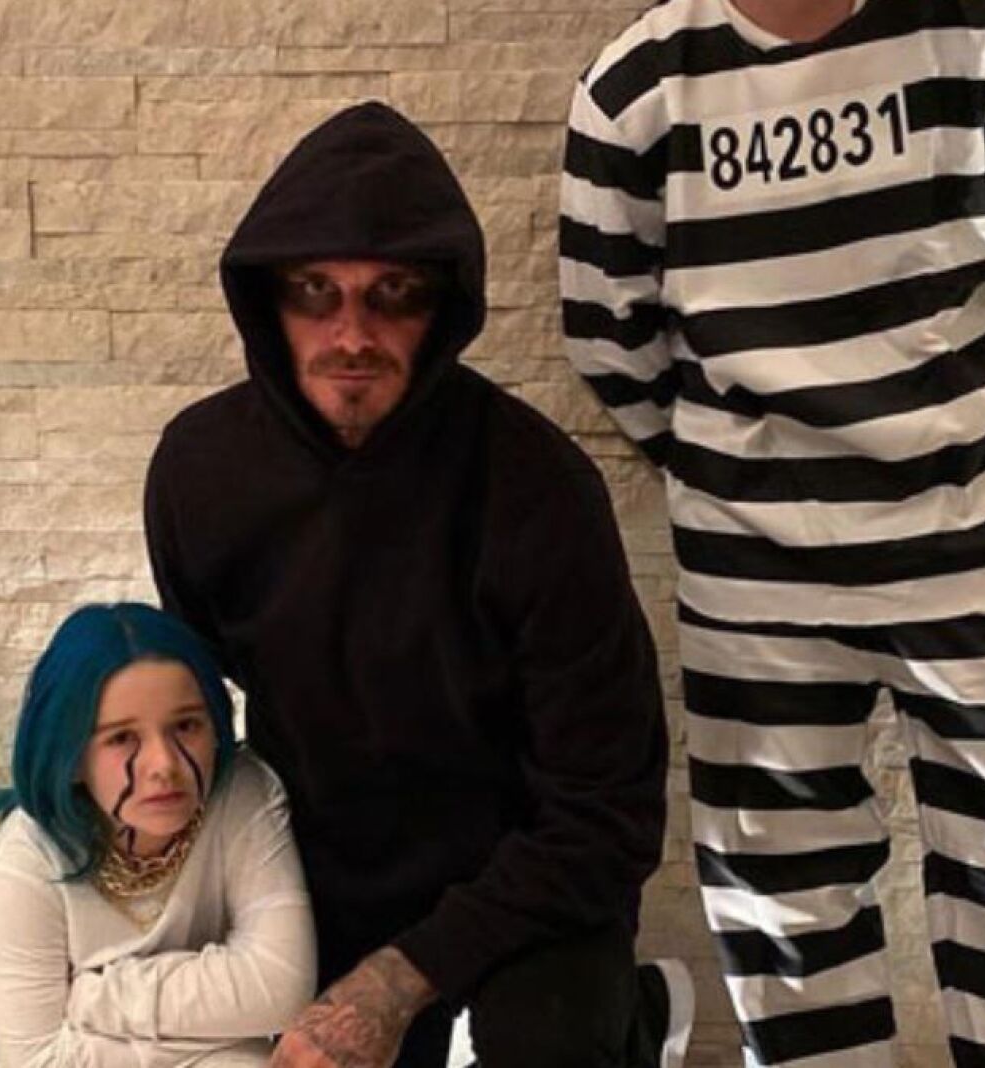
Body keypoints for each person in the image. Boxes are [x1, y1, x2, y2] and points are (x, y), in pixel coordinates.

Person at [558, 0, 985, 1064]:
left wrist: (963, 446)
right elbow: (608, 334)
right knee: (779, 898)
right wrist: (738, 477)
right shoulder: (637, 90)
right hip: (754, 572)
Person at [144, 102, 689, 1068]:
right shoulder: (199, 472)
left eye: (393, 294)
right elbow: (192, 705)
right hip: (308, 875)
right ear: (267, 303)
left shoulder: (540, 488)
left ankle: (631, 1018)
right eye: (315, 291)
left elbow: (607, 813)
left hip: (524, 885)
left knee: (548, 1045)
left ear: (443, 307)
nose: (352, 334)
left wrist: (397, 984)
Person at [0, 603, 316, 1067]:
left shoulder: (242, 794)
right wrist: (220, 1020)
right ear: (70, 757)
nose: (164, 764)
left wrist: (95, 995)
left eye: (186, 726)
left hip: (155, 1036)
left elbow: (281, 987)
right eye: (121, 738)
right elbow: (37, 1058)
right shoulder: (26, 852)